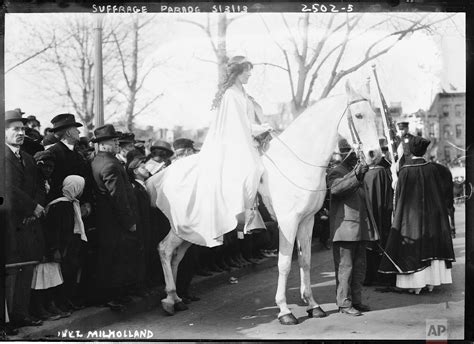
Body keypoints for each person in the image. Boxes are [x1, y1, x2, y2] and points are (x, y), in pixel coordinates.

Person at [154, 56, 272, 248]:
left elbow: (249, 122)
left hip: (247, 140)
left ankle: (252, 211)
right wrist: (262, 129)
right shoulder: (230, 96)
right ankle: (248, 214)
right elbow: (239, 126)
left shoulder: (243, 94)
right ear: (237, 72)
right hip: (234, 142)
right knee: (253, 168)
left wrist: (263, 128)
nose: (250, 74)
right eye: (247, 71)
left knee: (262, 167)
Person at [378, 136, 455, 294]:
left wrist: (394, 174)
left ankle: (416, 284)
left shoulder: (405, 170)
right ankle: (432, 283)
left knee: (414, 249)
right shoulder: (433, 168)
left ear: (411, 151)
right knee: (431, 247)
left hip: (411, 218)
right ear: (424, 151)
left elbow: (398, 192)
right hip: (432, 218)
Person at [91, 124, 139, 311]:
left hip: (107, 220)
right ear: (103, 144)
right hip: (115, 221)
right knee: (115, 258)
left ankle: (111, 295)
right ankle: (112, 297)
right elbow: (118, 197)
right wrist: (130, 222)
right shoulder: (110, 164)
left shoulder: (98, 160)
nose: (117, 143)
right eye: (113, 140)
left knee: (109, 257)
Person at [327, 138, 376, 316]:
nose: (357, 156)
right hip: (345, 230)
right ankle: (344, 303)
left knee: (359, 268)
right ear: (345, 153)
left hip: (359, 229)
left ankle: (356, 300)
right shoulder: (336, 171)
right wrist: (356, 174)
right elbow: (336, 189)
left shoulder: (354, 171)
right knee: (345, 269)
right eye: (354, 153)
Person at [5, 109, 44, 328]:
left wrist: (37, 206)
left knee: (27, 266)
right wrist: (32, 206)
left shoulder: (28, 158)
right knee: (10, 269)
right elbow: (8, 187)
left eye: (22, 129)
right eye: (15, 129)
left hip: (29, 221)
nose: (20, 133)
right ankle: (7, 320)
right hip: (9, 221)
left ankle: (21, 314)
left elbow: (40, 185)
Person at [44, 175, 88, 313]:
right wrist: (55, 248)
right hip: (64, 246)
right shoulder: (60, 205)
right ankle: (60, 302)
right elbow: (54, 229)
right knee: (63, 274)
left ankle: (66, 301)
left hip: (72, 245)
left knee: (71, 273)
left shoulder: (72, 203)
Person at [363, 139, 395, 287]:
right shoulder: (383, 172)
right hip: (382, 214)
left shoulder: (365, 174)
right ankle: (382, 276)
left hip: (370, 215)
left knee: (370, 245)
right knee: (382, 242)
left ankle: (370, 276)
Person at [126, 156, 152, 296]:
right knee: (140, 257)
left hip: (147, 226)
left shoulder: (144, 186)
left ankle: (145, 284)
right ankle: (139, 287)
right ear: (135, 171)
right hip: (141, 228)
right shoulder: (135, 189)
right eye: (143, 167)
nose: (146, 169)